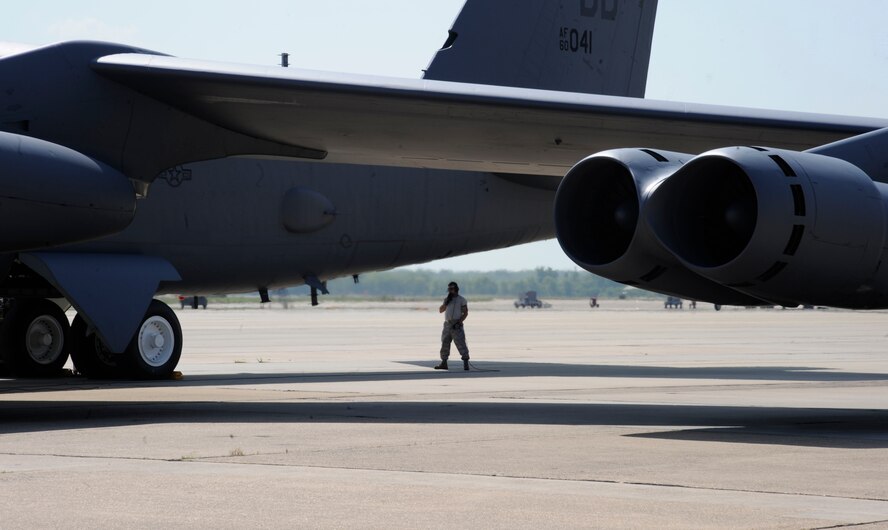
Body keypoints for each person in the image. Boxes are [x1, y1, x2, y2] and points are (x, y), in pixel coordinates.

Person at [435, 281, 470, 371]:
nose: (450, 290)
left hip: (456, 324)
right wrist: (445, 303)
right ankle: (444, 362)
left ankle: (466, 362)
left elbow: (465, 313)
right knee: (445, 343)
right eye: (449, 289)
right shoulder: (447, 299)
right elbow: (440, 310)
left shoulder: (461, 300)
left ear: (456, 289)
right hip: (447, 324)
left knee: (461, 343)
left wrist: (460, 322)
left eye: (452, 289)